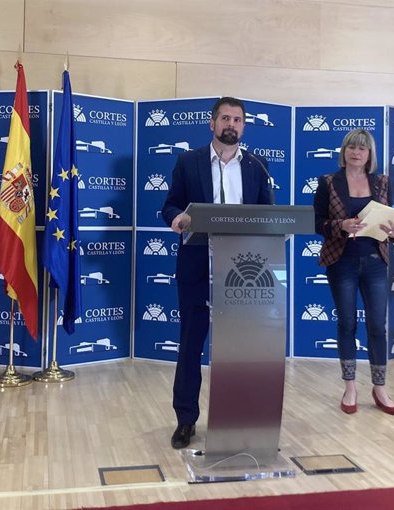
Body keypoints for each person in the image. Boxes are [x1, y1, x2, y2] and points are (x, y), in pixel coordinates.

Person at [161, 96, 272, 449]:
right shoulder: (188, 161)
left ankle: (238, 418)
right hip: (196, 265)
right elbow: (169, 205)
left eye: (238, 119)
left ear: (244, 125)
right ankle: (185, 420)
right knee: (191, 345)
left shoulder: (257, 166)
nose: (231, 125)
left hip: (243, 272)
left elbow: (269, 215)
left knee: (239, 349)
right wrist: (176, 219)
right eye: (225, 118)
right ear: (212, 123)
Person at [313, 128, 394, 417]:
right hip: (342, 262)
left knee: (378, 326)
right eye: (352, 147)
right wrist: (339, 226)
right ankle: (350, 386)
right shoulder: (328, 182)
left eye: (362, 148)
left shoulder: (383, 182)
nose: (356, 152)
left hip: (376, 261)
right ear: (344, 151)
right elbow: (317, 223)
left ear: (369, 154)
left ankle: (380, 387)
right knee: (347, 324)